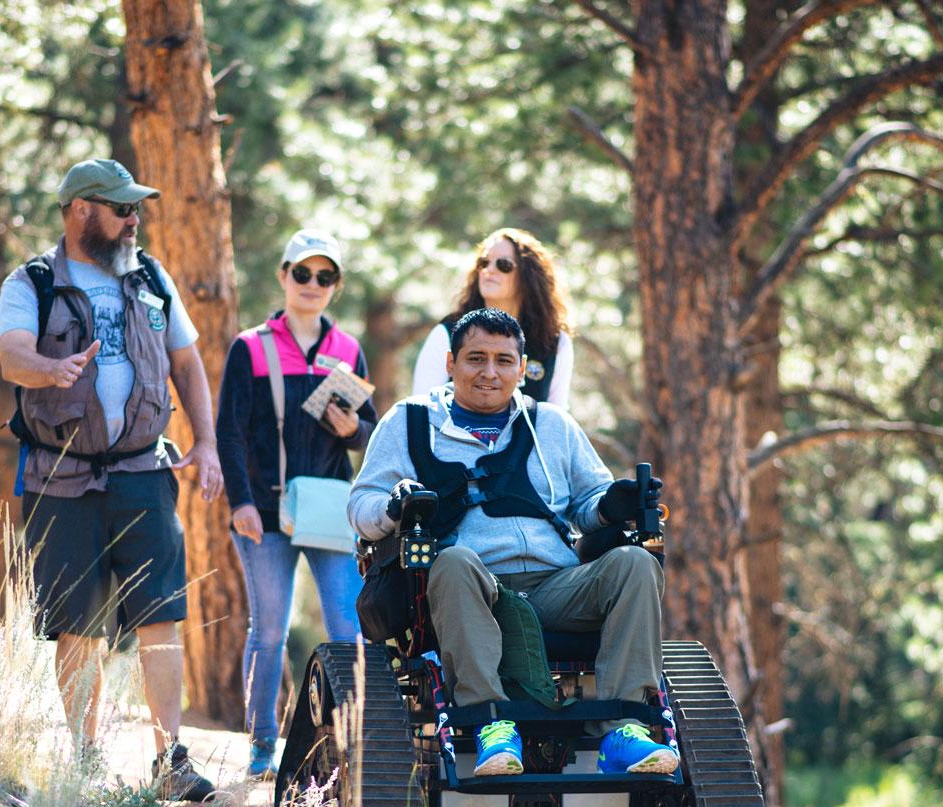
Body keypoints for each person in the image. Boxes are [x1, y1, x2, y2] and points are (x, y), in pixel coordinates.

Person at [349, 308, 676, 777]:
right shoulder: (408, 422)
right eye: (475, 358)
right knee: (456, 559)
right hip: (468, 586)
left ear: (521, 370)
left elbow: (588, 503)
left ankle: (623, 729)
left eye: (504, 361)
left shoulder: (553, 426)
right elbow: (361, 504)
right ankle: (492, 725)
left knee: (635, 563)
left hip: (554, 582)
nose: (489, 372)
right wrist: (393, 509)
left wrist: (612, 504)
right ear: (450, 364)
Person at [0, 158, 223, 801]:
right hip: (59, 478)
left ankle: (170, 760)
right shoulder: (32, 282)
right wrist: (50, 369)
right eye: (122, 208)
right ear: (79, 211)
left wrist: (205, 443)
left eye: (136, 209)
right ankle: (83, 758)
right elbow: (12, 353)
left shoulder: (150, 276)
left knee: (160, 614)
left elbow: (187, 362)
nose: (134, 219)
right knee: (78, 620)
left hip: (143, 471)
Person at [216, 230, 377, 778]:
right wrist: (240, 502)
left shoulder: (348, 350)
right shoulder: (250, 347)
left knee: (348, 628)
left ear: (335, 285)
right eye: (302, 273)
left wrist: (354, 427)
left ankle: (356, 742)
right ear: (283, 276)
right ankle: (263, 744)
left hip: (330, 510)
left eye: (324, 276)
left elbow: (368, 436)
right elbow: (229, 433)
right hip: (263, 511)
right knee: (269, 630)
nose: (312, 284)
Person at [409, 228, 575, 409]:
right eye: (483, 263)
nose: (489, 270)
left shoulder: (555, 343)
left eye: (503, 265)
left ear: (529, 275)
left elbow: (557, 419)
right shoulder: (447, 334)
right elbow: (422, 409)